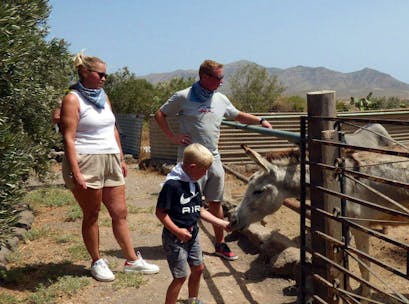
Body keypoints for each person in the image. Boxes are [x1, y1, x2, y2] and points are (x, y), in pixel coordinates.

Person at [155, 59, 272, 261]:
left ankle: (219, 243)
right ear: (204, 77)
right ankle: (181, 240)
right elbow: (160, 114)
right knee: (186, 203)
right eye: (218, 77)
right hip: (190, 159)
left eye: (222, 77)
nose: (222, 81)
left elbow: (237, 115)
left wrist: (260, 121)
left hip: (214, 158)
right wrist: (172, 137)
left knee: (215, 202)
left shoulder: (220, 99)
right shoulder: (183, 96)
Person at [60, 51, 159, 281]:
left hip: (111, 158)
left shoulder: (103, 96)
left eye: (106, 75)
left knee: (120, 212)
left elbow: (112, 127)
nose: (105, 79)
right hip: (86, 160)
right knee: (92, 214)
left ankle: (132, 260)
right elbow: (68, 137)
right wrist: (76, 172)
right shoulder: (72, 99)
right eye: (100, 74)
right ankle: (97, 261)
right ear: (85, 72)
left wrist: (121, 157)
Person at [156, 143, 232, 304]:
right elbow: (160, 213)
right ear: (192, 166)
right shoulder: (172, 185)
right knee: (180, 276)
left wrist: (222, 223)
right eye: (204, 170)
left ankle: (193, 299)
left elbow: (200, 211)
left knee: (198, 268)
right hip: (175, 239)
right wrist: (177, 231)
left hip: (193, 235)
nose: (206, 174)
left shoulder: (193, 182)